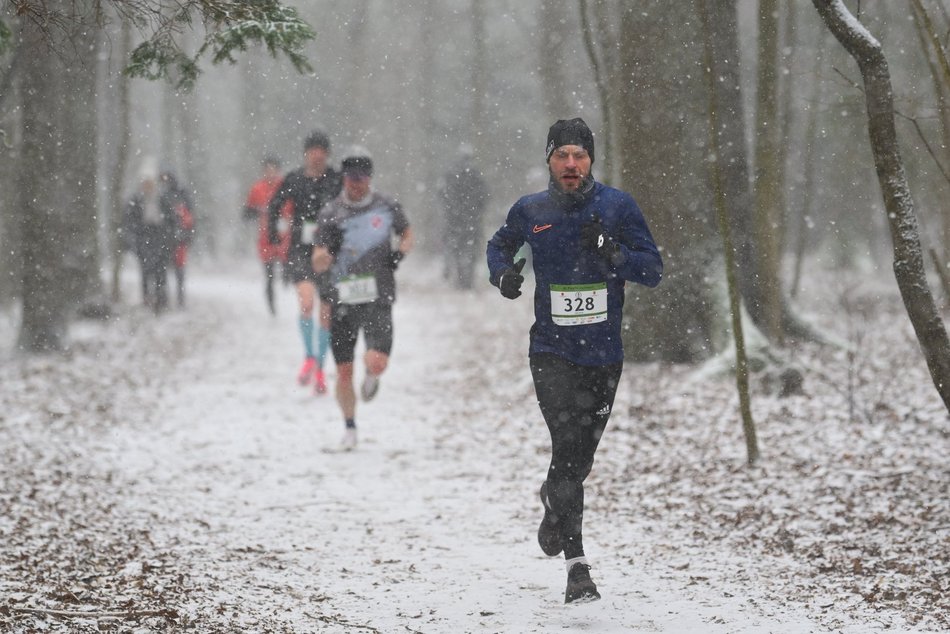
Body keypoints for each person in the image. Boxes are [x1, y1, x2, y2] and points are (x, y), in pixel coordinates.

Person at [485, 118, 663, 604]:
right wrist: (502, 275)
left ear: (590, 161)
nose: (570, 164)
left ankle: (554, 501)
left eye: (579, 156)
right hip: (552, 352)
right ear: (548, 159)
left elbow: (653, 270)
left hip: (604, 356)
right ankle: (577, 566)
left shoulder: (617, 206)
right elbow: (498, 245)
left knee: (578, 458)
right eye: (561, 155)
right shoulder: (531, 210)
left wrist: (615, 254)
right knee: (566, 442)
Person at [311, 147, 414, 450]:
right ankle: (350, 428)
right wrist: (324, 258)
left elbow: (407, 233)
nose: (357, 184)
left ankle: (373, 373)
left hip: (378, 294)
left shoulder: (387, 206)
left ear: (370, 178)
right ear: (344, 178)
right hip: (342, 297)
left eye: (362, 178)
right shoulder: (331, 212)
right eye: (351, 178)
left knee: (377, 360)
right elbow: (317, 256)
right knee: (343, 370)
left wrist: (400, 251)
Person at [267, 131, 342, 394]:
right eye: (313, 150)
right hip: (300, 249)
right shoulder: (294, 179)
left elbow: (351, 206)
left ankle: (320, 367)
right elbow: (275, 204)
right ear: (306, 153)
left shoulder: (336, 180)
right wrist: (274, 233)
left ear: (328, 154)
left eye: (322, 150)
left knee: (327, 311)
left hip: (329, 251)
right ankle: (309, 356)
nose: (317, 155)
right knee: (306, 300)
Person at [123, 159, 178, 313]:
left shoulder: (164, 199)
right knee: (146, 272)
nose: (147, 185)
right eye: (145, 182)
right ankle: (147, 300)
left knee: (161, 272)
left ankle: (161, 301)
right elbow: (129, 221)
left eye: (150, 182)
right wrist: (133, 240)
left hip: (161, 238)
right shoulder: (135, 200)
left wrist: (171, 238)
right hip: (144, 239)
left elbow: (172, 220)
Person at [244, 154, 290, 315]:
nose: (270, 173)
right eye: (267, 170)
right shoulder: (257, 189)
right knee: (269, 275)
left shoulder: (285, 186)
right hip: (266, 238)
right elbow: (247, 212)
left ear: (278, 171)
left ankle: (288, 284)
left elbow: (295, 208)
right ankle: (271, 305)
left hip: (285, 236)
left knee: (287, 267)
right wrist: (258, 211)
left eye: (273, 170)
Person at [439, 144, 489, 289]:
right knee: (470, 249)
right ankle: (466, 279)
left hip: (456, 219)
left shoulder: (451, 174)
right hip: (470, 220)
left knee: (455, 248)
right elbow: (485, 196)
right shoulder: (476, 175)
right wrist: (477, 211)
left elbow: (442, 194)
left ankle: (457, 275)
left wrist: (451, 210)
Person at [160, 169, 196, 308]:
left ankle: (178, 299)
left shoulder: (179, 195)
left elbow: (189, 217)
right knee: (172, 270)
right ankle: (169, 299)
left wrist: (186, 235)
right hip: (172, 238)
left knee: (178, 270)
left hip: (179, 238)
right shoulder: (165, 195)